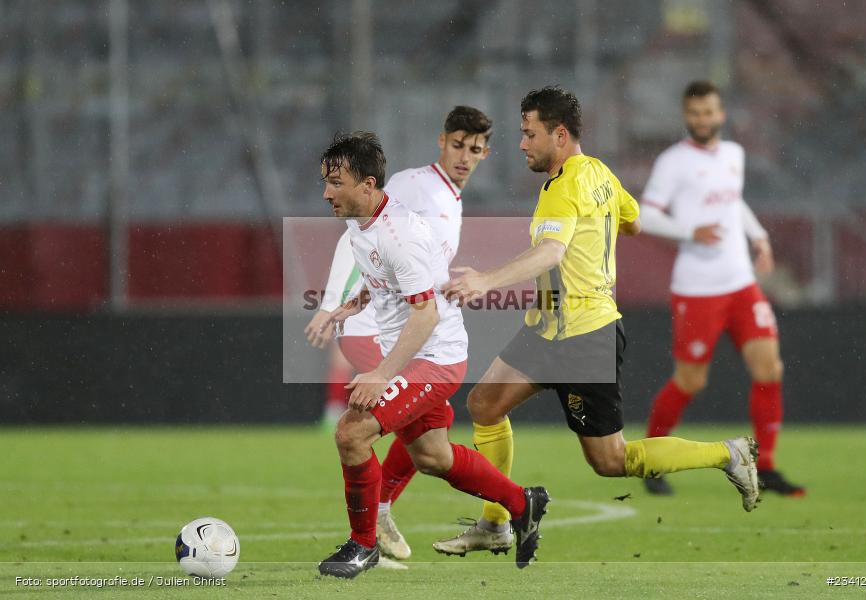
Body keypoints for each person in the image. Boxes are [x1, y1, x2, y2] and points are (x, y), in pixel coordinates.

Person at [438, 86, 760, 557]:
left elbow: (550, 250)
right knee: (485, 404)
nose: (523, 144)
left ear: (560, 134)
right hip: (548, 326)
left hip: (584, 335)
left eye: (530, 134)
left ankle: (729, 454)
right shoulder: (600, 174)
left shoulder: (565, 185)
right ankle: (496, 524)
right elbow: (632, 221)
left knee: (611, 461)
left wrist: (487, 281)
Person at [316, 132, 549, 578]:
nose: (327, 193)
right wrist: (358, 300)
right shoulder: (363, 222)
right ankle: (524, 503)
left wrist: (383, 374)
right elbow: (388, 277)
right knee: (433, 458)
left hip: (434, 358)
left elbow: (424, 316)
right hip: (413, 354)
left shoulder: (398, 233)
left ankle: (362, 546)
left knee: (351, 434)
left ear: (367, 184)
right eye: (326, 182)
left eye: (336, 183)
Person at [305, 107, 493, 560]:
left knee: (432, 436)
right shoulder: (414, 184)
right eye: (457, 145)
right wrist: (332, 302)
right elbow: (355, 232)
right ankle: (372, 529)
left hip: (410, 328)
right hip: (385, 330)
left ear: (487, 153)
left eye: (475, 149)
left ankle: (378, 520)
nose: (465, 156)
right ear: (441, 141)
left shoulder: (449, 196)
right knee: (371, 433)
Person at [638, 81, 805, 498]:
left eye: (708, 112)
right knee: (691, 381)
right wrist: (690, 230)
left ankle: (764, 464)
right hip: (697, 289)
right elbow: (645, 215)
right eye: (694, 113)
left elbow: (733, 201)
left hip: (741, 283)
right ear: (686, 115)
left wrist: (759, 235)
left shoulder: (734, 154)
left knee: (770, 369)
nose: (702, 119)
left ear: (721, 113)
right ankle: (651, 461)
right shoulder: (673, 162)